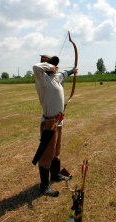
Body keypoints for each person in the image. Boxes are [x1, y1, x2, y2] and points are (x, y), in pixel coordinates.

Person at [33, 55, 77, 197]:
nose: (55, 67)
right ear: (47, 67)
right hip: (49, 122)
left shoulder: (57, 78)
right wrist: (50, 66)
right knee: (47, 153)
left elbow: (65, 73)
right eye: (52, 65)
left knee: (56, 149)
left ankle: (56, 174)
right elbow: (36, 68)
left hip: (58, 120)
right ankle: (44, 186)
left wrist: (72, 70)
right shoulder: (43, 80)